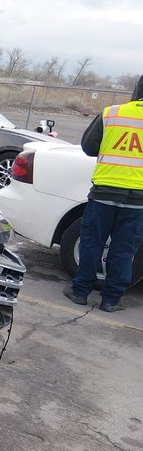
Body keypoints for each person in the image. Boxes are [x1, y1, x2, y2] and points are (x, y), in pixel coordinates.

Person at [63, 74, 143, 312]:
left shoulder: (112, 114)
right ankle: (111, 300)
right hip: (138, 200)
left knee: (91, 243)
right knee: (124, 249)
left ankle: (79, 292)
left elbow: (88, 147)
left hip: (104, 193)